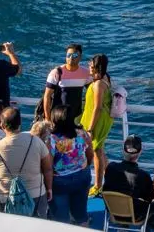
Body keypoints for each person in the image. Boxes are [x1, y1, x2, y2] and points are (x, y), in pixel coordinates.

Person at [0, 106, 52, 218]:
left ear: (2, 125)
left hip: (7, 199)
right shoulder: (36, 142)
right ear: (19, 124)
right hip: (36, 196)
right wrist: (49, 188)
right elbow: (48, 169)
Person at [49, 105, 92, 224]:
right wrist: (86, 166)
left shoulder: (52, 138)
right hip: (82, 176)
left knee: (61, 221)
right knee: (81, 216)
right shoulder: (82, 133)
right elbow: (90, 153)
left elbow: (48, 164)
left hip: (59, 181)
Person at [79, 53, 113, 197]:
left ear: (96, 67)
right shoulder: (105, 78)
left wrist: (91, 128)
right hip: (99, 118)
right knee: (100, 149)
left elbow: (97, 107)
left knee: (97, 151)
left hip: (97, 120)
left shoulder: (99, 84)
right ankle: (110, 177)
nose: (89, 66)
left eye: (91, 64)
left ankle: (98, 185)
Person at [103, 134, 154, 224]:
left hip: (113, 212)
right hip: (135, 216)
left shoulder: (111, 167)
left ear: (123, 150)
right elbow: (150, 198)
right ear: (140, 152)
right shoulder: (143, 175)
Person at [42, 43, 91, 122]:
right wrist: (47, 119)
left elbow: (92, 91)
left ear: (80, 57)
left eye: (74, 55)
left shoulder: (86, 74)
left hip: (76, 117)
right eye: (68, 55)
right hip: (58, 117)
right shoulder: (56, 73)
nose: (71, 58)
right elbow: (47, 96)